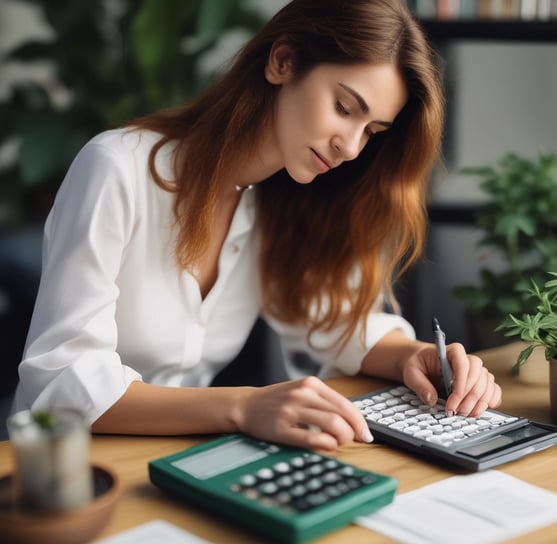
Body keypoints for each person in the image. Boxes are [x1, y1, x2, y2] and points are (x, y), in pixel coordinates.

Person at [13, 0, 501, 451]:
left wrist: (416, 358)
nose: (351, 148)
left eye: (371, 132)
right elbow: (60, 383)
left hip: (180, 458)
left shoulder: (285, 197)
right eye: (344, 108)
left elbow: (335, 323)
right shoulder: (116, 168)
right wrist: (244, 406)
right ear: (282, 62)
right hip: (68, 469)